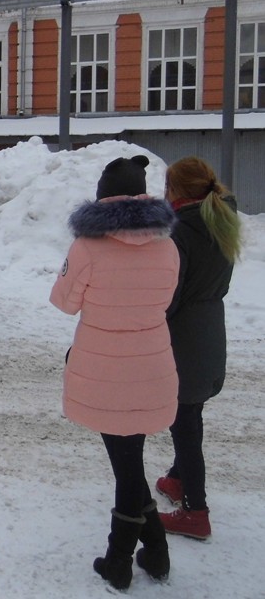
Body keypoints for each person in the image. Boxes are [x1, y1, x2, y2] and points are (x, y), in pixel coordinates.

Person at [49, 155, 179, 590]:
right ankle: (156, 554)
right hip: (153, 363)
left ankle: (119, 560)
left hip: (102, 367)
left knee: (125, 466)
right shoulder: (168, 245)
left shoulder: (87, 246)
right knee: (130, 460)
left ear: (103, 195)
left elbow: (64, 302)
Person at [156, 157, 242, 540]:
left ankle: (196, 510)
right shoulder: (222, 218)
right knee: (193, 411)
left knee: (184, 423)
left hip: (184, 336)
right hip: (209, 329)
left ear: (174, 190)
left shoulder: (181, 231)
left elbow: (171, 295)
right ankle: (177, 478)